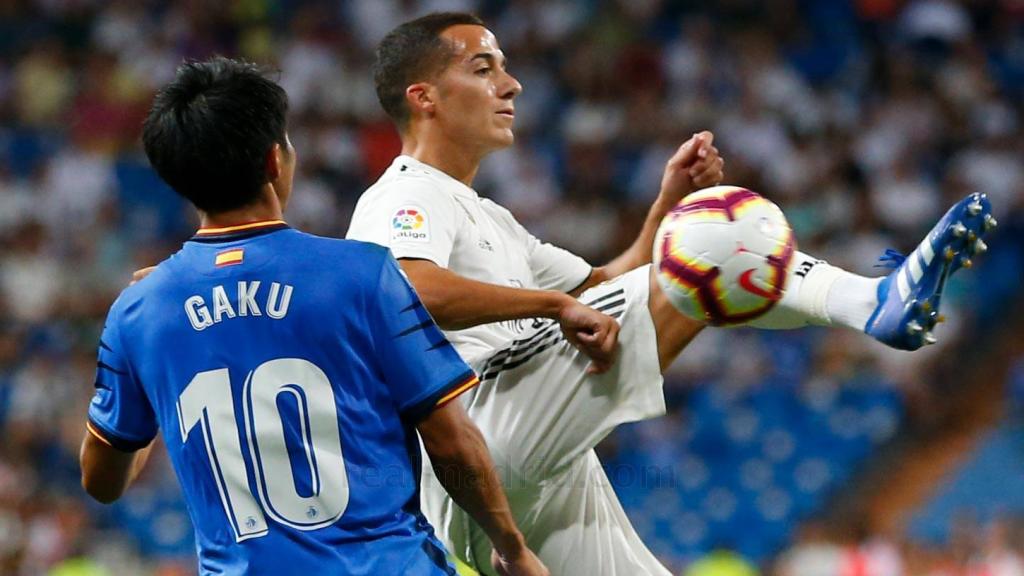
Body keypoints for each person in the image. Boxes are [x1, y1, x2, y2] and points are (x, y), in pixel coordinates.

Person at [346, 12, 996, 576]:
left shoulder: (489, 216)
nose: (511, 83)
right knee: (716, 233)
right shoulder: (404, 191)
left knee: (688, 245)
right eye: (484, 67)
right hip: (477, 427)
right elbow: (407, 286)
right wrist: (555, 306)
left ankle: (872, 302)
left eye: (506, 66)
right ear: (425, 97)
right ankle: (872, 303)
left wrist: (662, 210)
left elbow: (608, 286)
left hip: (528, 461)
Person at [79, 57, 549, 576]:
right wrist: (511, 545)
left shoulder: (139, 311)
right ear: (274, 161)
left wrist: (153, 357)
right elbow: (451, 441)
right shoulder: (361, 273)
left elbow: (103, 482)